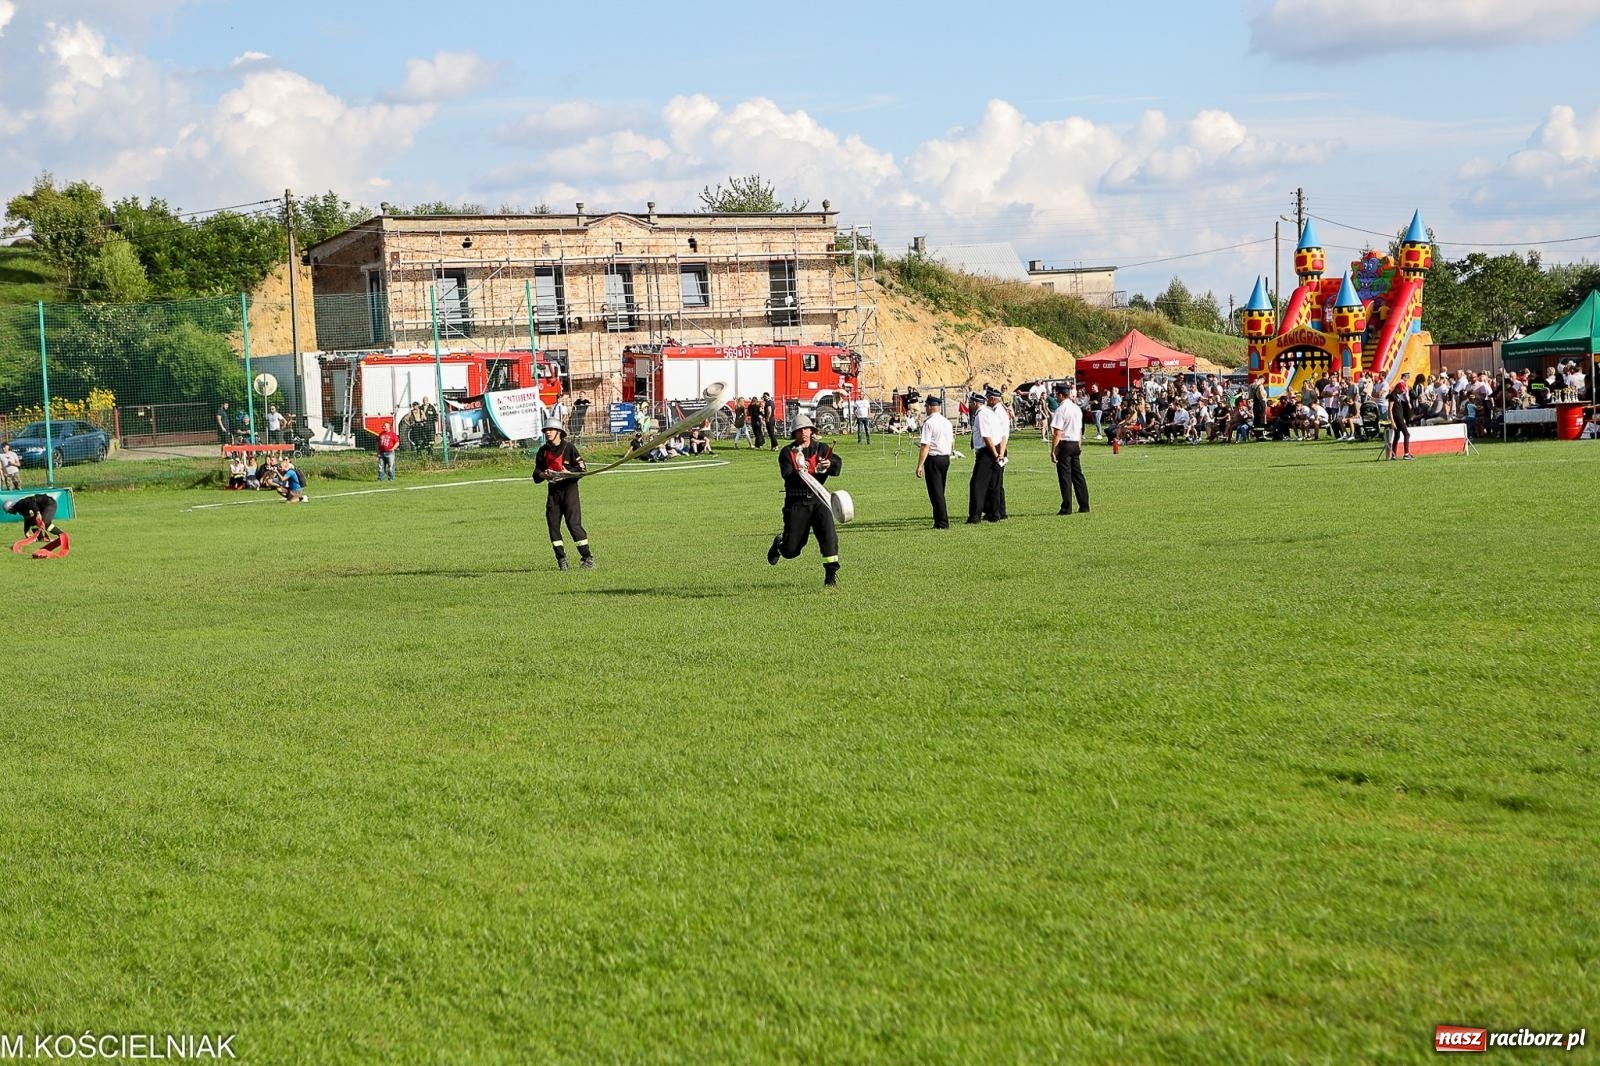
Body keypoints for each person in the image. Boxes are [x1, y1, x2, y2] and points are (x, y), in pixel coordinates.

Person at [766, 415, 843, 585]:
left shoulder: (821, 448)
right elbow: (787, 476)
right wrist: (802, 470)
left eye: (807, 429)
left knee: (829, 538)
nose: (804, 433)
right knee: (791, 550)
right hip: (797, 503)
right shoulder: (787, 452)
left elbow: (837, 465)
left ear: (812, 430)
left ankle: (830, 576)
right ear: (795, 433)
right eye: (800, 430)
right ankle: (780, 545)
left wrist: (829, 465)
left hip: (820, 500)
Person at [532, 419, 593, 570]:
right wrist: (543, 475)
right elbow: (535, 474)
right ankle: (561, 559)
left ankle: (587, 558)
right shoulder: (543, 451)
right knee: (553, 527)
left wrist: (569, 473)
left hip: (570, 491)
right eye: (546, 430)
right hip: (554, 493)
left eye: (551, 430)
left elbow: (582, 469)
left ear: (559, 432)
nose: (547, 432)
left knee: (573, 525)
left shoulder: (570, 448)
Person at [1048, 382, 1090, 515]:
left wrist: (1054, 450)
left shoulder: (1061, 410)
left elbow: (1057, 433)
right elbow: (1079, 429)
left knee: (1065, 476)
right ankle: (1084, 505)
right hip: (1075, 443)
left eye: (1057, 394)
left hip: (1065, 444)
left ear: (1061, 395)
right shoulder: (1076, 408)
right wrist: (1079, 445)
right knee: (1078, 475)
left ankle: (1067, 507)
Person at [967, 386, 1007, 524]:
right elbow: (1002, 435)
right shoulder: (991, 413)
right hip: (995, 449)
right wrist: (1000, 453)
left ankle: (975, 515)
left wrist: (996, 454)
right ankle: (994, 513)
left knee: (977, 484)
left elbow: (986, 437)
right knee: (993, 484)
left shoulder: (982, 415)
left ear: (975, 403)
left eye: (971, 403)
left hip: (987, 452)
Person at [914, 393, 953, 529]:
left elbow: (925, 445)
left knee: (935, 492)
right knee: (940, 489)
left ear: (930, 407)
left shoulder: (929, 423)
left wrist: (920, 465)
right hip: (945, 457)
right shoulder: (946, 422)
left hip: (934, 458)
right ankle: (939, 519)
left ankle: (942, 521)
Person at [5, 493, 70, 558]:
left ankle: (62, 535)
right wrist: (26, 531)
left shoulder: (19, 504)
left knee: (45, 523)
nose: (10, 513)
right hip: (42, 507)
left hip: (49, 504)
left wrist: (37, 512)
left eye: (8, 511)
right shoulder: (19, 509)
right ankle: (41, 538)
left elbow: (31, 500)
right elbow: (28, 518)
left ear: (10, 508)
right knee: (33, 522)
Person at [1387, 378, 1414, 460]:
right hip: (1397, 419)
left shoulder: (1397, 396)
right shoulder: (1392, 396)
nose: (1402, 392)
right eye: (1401, 390)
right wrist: (1392, 422)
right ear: (1397, 388)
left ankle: (1394, 455)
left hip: (1399, 418)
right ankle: (1406, 454)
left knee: (1397, 436)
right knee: (1407, 434)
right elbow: (1390, 409)